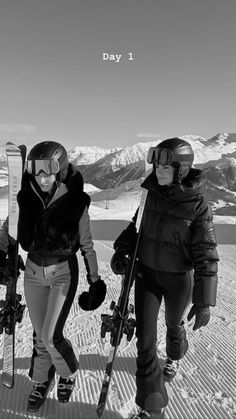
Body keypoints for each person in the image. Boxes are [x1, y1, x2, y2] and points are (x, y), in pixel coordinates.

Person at [110, 138, 219, 419]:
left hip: (178, 280)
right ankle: (152, 407)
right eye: (156, 164)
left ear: (181, 169)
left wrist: (204, 300)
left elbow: (206, 252)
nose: (158, 169)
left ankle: (174, 355)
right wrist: (123, 249)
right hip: (147, 275)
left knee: (173, 326)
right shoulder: (149, 194)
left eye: (165, 165)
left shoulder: (198, 206)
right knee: (145, 342)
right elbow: (136, 228)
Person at [0, 141, 106, 413]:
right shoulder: (25, 196)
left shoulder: (76, 202)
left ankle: (68, 373)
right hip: (34, 273)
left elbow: (87, 244)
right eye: (36, 170)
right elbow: (7, 227)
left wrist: (95, 281)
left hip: (62, 273)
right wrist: (2, 254)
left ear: (60, 170)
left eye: (48, 170)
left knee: (50, 335)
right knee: (39, 336)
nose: (42, 177)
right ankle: (39, 380)